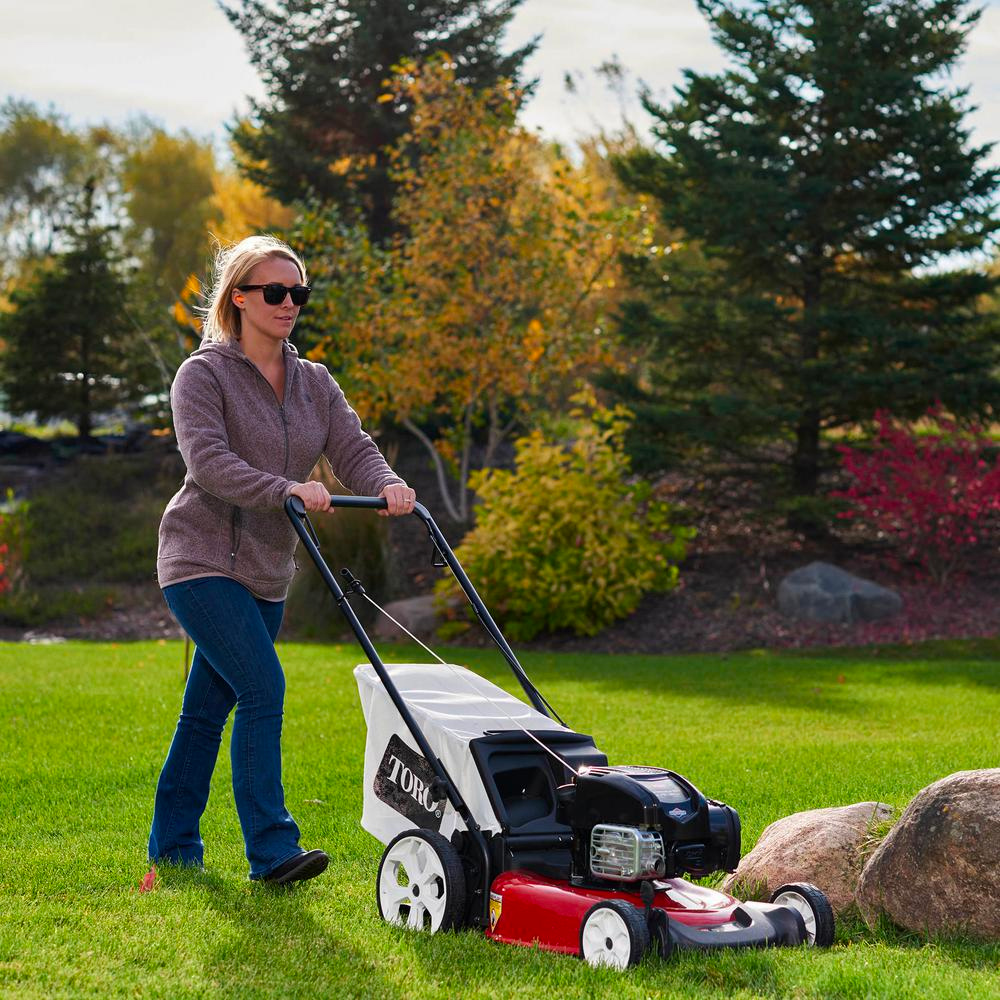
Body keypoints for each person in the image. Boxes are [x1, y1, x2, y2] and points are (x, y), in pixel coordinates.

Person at [149, 235, 415, 885]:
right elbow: (209, 463)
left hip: (267, 571)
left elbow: (353, 448)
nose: (289, 303)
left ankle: (173, 847)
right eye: (275, 291)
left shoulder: (314, 382)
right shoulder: (202, 375)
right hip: (201, 559)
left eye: (299, 293)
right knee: (263, 689)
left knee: (205, 713)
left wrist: (387, 485)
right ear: (239, 298)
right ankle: (272, 852)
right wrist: (285, 488)